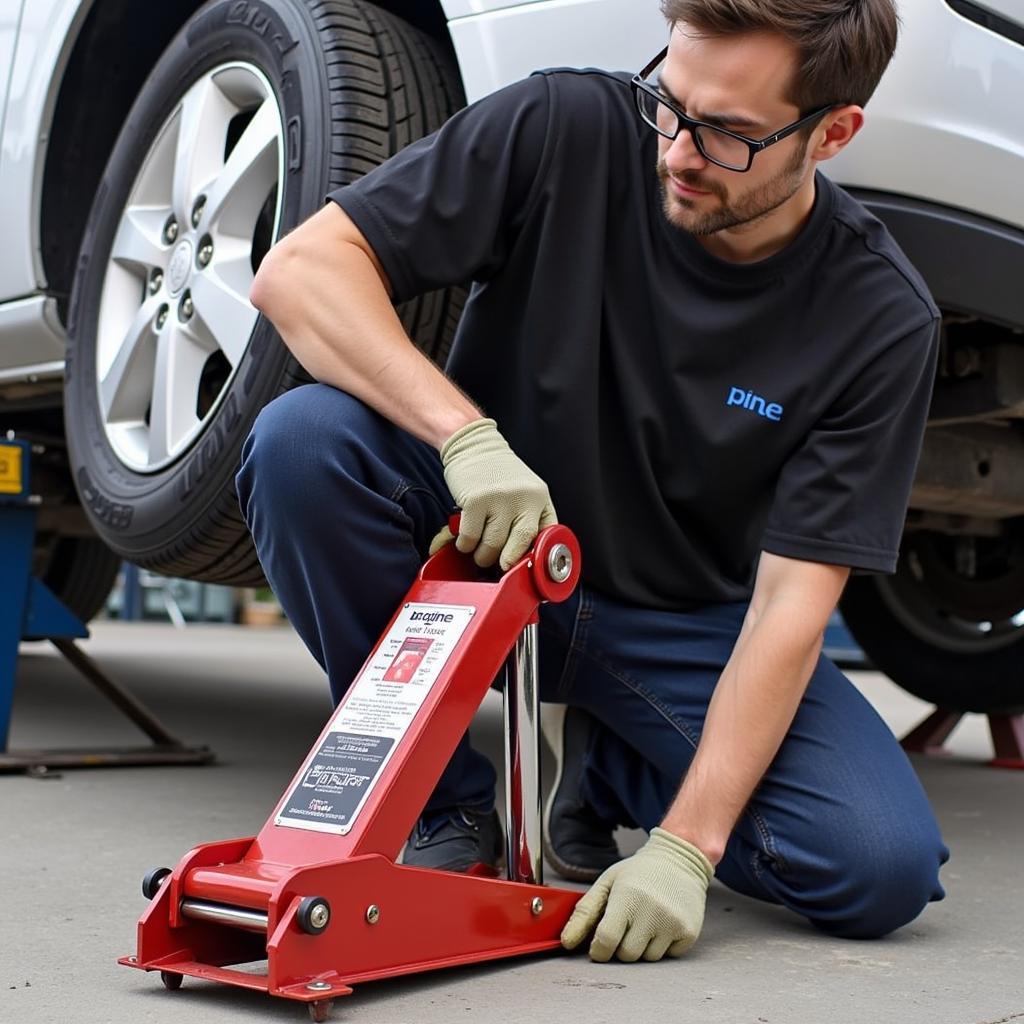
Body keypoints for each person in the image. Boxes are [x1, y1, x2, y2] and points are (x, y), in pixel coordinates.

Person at [237, 0, 949, 963]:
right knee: (302, 444)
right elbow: (303, 271)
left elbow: (790, 605)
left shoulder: (878, 317)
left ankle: (615, 773)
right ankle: (439, 807)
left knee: (877, 865)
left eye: (731, 134)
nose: (680, 151)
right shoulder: (562, 126)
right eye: (671, 102)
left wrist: (688, 850)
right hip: (486, 553)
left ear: (832, 133)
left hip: (677, 622)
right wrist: (466, 439)